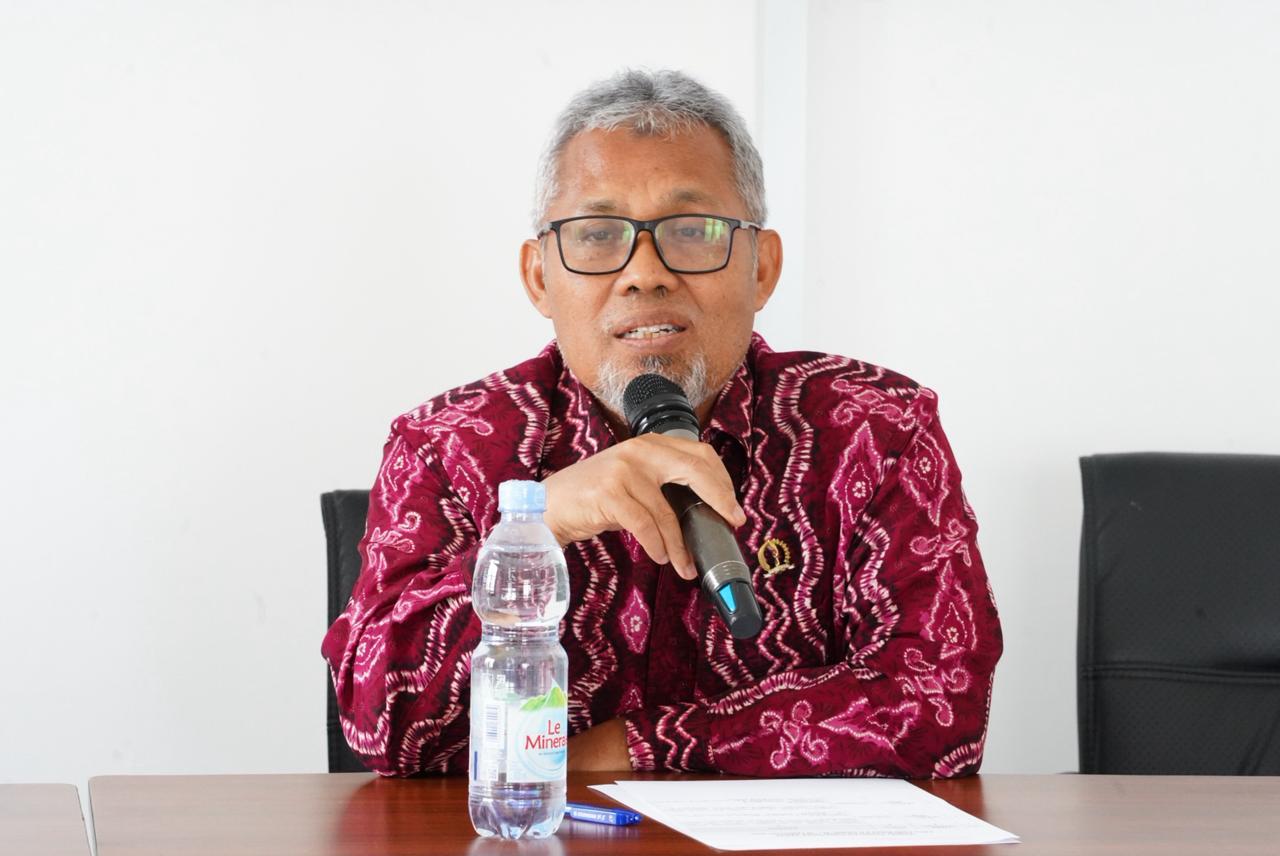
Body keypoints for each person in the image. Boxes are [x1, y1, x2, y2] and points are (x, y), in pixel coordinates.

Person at [321, 68, 1002, 778]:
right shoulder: (447, 445)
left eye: (692, 231)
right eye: (596, 234)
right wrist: (536, 529)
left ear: (762, 268)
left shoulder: (876, 429)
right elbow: (378, 723)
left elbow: (941, 702)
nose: (644, 273)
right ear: (539, 277)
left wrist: (638, 748)